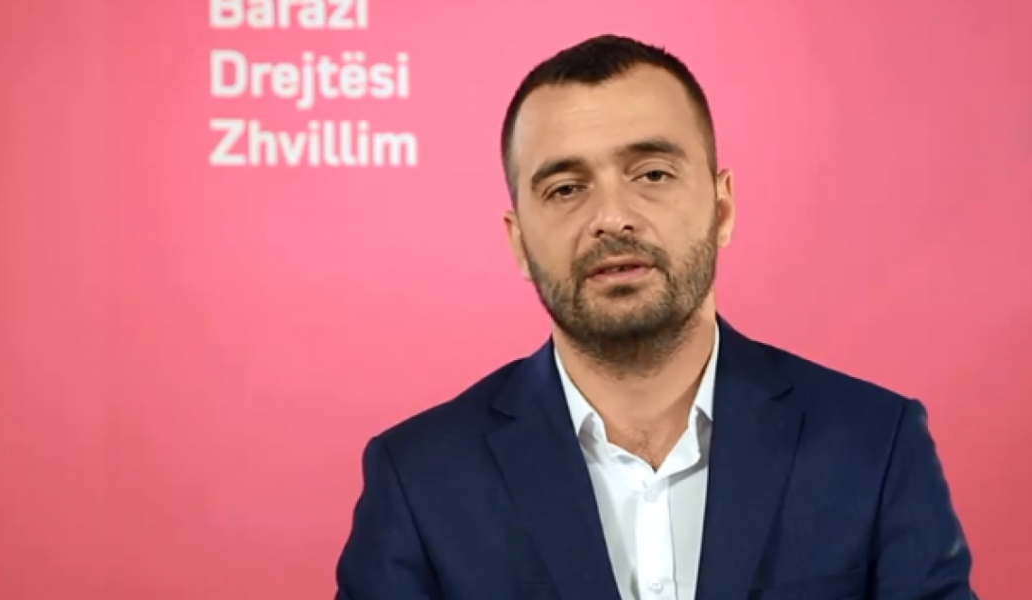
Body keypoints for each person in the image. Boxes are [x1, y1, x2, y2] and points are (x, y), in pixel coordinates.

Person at [334, 34, 978, 600]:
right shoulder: (420, 479)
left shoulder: (874, 444)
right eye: (566, 188)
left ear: (722, 209)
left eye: (652, 174)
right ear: (519, 242)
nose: (612, 217)